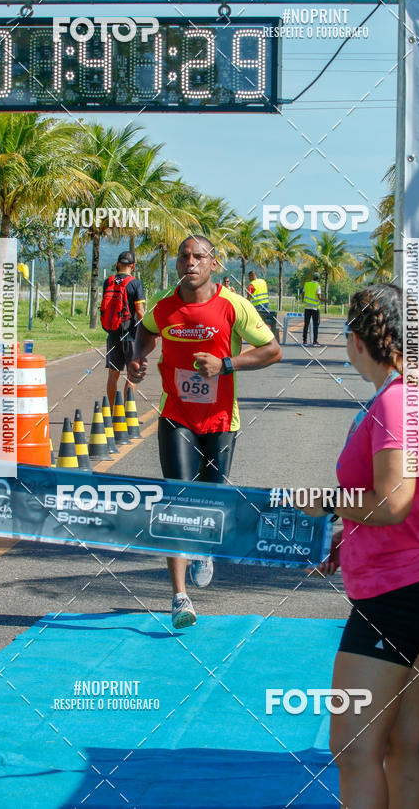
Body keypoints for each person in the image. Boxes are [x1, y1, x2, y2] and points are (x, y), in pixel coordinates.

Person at [298, 284, 419, 809]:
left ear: (358, 340)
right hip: (416, 581)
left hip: (396, 595)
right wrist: (349, 537)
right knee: (399, 745)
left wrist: (325, 500)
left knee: (352, 749)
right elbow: (409, 502)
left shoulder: (396, 400)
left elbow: (393, 502)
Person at [128, 235, 282, 628]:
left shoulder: (233, 305)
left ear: (213, 263)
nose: (190, 263)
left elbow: (271, 350)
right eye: (184, 256)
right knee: (177, 502)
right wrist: (137, 358)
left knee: (210, 501)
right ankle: (179, 597)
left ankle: (204, 549)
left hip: (220, 421)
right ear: (177, 263)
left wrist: (225, 365)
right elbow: (145, 332)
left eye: (199, 257)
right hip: (176, 416)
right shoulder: (165, 305)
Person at [100, 251, 145, 408]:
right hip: (131, 335)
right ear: (132, 266)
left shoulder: (108, 282)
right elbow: (139, 311)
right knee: (132, 375)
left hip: (112, 333)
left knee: (113, 374)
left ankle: (112, 411)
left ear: (118, 264)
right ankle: (126, 414)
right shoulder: (135, 283)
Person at [302, 273, 321, 346]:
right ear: (318, 279)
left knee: (306, 324)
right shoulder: (317, 286)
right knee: (315, 325)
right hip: (315, 308)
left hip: (307, 307)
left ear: (313, 278)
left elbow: (303, 293)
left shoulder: (307, 284)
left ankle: (304, 341)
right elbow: (319, 296)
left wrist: (303, 300)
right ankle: (315, 341)